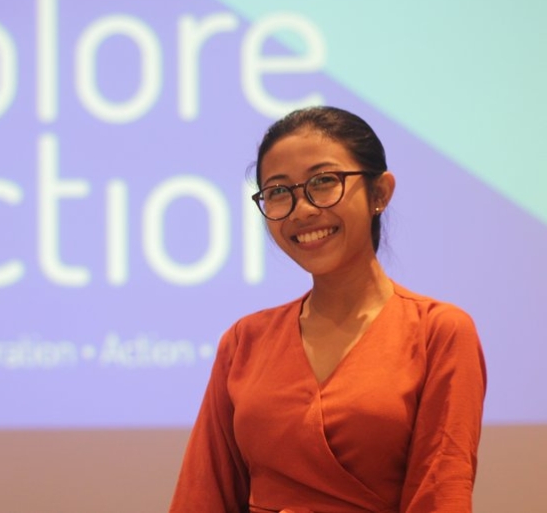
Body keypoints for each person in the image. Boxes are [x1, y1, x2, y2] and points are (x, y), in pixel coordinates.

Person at [169, 106, 486, 513]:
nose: (301, 209)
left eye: (323, 182)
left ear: (380, 193)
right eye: (279, 191)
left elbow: (440, 495)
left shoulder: (438, 332)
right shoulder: (245, 340)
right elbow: (202, 495)